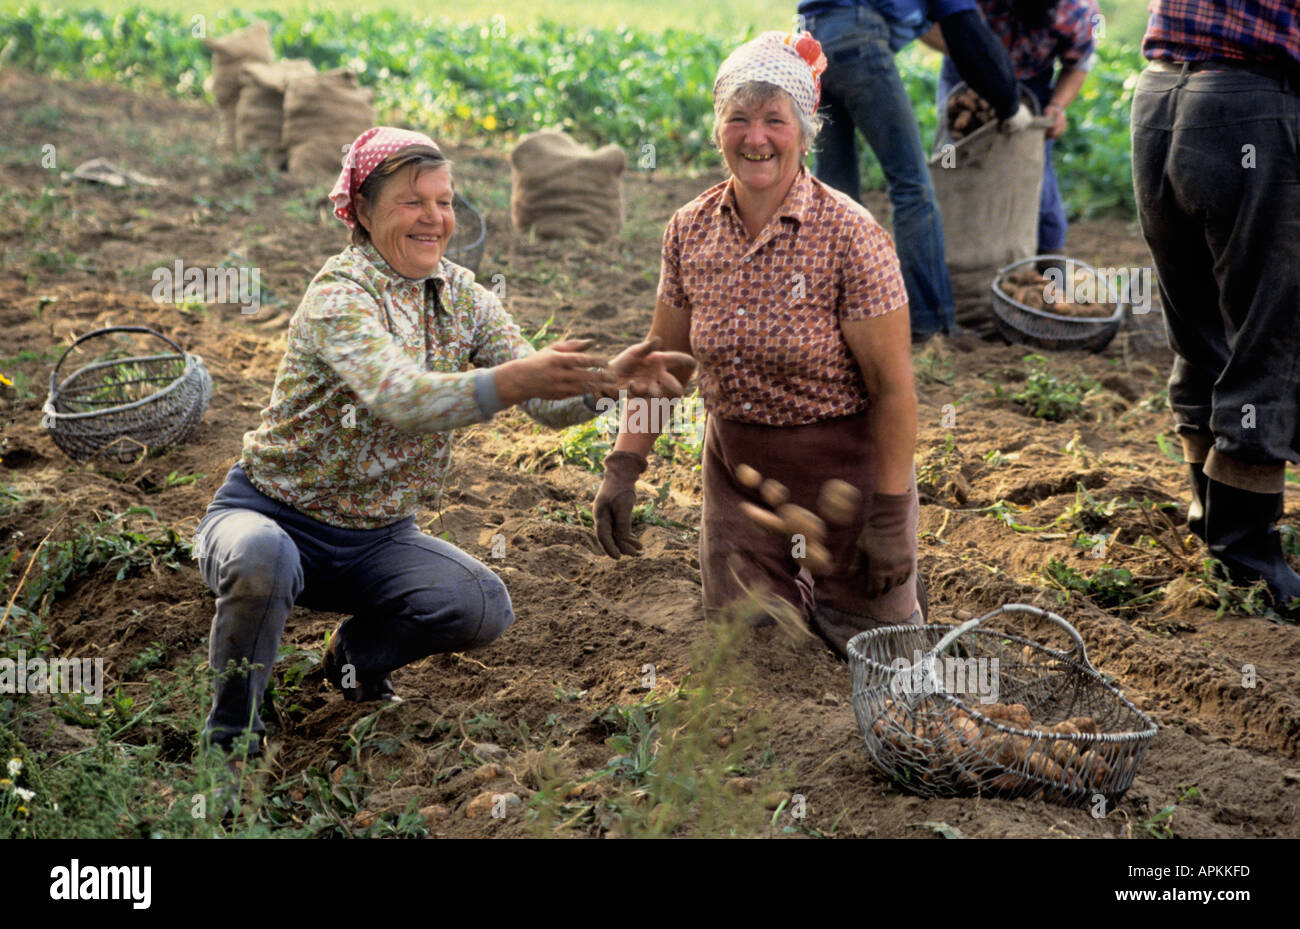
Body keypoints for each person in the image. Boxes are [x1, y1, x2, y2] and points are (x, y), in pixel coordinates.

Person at [194, 127, 690, 755]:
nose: (434, 217)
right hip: (269, 514)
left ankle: (353, 659)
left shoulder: (463, 297)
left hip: (376, 537)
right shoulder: (339, 294)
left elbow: (543, 401)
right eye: (412, 202)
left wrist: (606, 383)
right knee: (264, 560)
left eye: (445, 201)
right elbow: (403, 399)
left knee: (480, 605)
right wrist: (511, 381)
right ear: (364, 211)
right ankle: (232, 738)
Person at [592, 32, 924, 657]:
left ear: (806, 132)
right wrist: (625, 463)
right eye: (738, 120)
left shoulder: (851, 236)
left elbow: (893, 388)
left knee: (878, 654)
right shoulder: (690, 228)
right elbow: (667, 361)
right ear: (718, 130)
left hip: (843, 484)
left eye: (775, 120)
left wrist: (888, 515)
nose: (756, 138)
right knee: (752, 657)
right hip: (741, 481)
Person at [1131, 1, 1300, 615]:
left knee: (1199, 329)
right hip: (1245, 104)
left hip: (1158, 100)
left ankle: (1214, 518)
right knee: (1267, 336)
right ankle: (1247, 553)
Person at [795, 0, 1030, 342]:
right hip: (858, 41)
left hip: (811, 45)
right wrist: (1008, 102)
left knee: (834, 195)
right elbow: (964, 29)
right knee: (912, 188)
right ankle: (931, 323)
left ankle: (832, 319)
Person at [936, 0, 1098, 255]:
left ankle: (1047, 262)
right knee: (951, 160)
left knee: (1035, 174)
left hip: (1031, 83)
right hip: (965, 71)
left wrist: (1057, 106)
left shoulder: (1078, 12)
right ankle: (953, 255)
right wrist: (971, 52)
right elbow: (929, 25)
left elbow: (1077, 66)